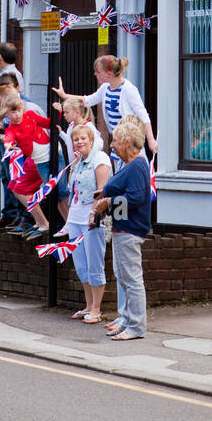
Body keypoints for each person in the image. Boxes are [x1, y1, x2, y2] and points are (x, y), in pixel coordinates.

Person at [90, 115, 151, 341]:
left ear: (127, 142)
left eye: (115, 141)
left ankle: (136, 326)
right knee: (124, 278)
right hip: (121, 228)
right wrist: (105, 197)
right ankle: (127, 320)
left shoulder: (137, 165)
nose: (112, 145)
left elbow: (136, 198)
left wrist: (108, 202)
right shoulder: (131, 165)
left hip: (130, 229)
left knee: (132, 279)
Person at [55, 55, 156, 164]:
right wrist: (65, 96)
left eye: (98, 72)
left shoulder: (129, 89)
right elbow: (88, 99)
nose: (95, 74)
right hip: (117, 141)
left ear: (109, 74)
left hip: (129, 143)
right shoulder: (105, 88)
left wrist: (151, 140)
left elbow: (143, 115)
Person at [66, 122, 112, 322]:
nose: (79, 142)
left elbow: (102, 191)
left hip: (92, 220)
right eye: (76, 139)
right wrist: (73, 166)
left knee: (95, 263)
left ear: (92, 140)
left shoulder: (100, 158)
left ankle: (96, 309)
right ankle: (87, 305)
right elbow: (70, 187)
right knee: (81, 265)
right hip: (75, 218)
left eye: (83, 138)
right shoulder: (78, 162)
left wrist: (94, 215)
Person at [0, 74, 35, 234]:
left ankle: (27, 217)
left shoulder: (26, 105)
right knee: (7, 178)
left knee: (20, 180)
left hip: (19, 148)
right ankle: (13, 215)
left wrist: (5, 129)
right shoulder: (3, 105)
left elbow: (25, 125)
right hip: (6, 143)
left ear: (16, 88)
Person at [0, 94, 52, 240]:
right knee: (13, 184)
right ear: (7, 113)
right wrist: (7, 145)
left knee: (20, 189)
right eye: (12, 112)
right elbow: (9, 138)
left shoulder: (30, 114)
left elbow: (47, 123)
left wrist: (59, 111)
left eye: (18, 110)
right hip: (32, 159)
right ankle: (38, 221)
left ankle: (44, 223)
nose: (17, 115)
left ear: (22, 108)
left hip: (41, 158)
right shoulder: (10, 128)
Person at [52, 96, 103, 236]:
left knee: (80, 195)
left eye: (67, 112)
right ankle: (70, 223)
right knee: (72, 193)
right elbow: (70, 143)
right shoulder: (70, 127)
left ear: (77, 113)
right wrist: (61, 133)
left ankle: (77, 224)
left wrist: (87, 155)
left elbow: (99, 143)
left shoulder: (88, 127)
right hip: (74, 165)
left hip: (85, 167)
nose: (65, 115)